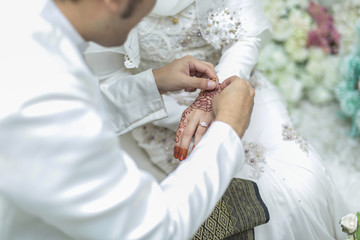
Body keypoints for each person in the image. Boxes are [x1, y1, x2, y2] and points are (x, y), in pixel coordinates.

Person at [84, 0, 350, 239]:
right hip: (163, 114)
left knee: (305, 178)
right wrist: (168, 96)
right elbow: (108, 82)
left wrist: (214, 97)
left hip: (239, 81)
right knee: (247, 204)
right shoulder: (105, 8)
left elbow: (246, 36)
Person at [0, 0, 258, 239]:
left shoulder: (26, 20)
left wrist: (152, 83)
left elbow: (79, 113)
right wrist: (228, 127)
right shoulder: (40, 101)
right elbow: (154, 229)